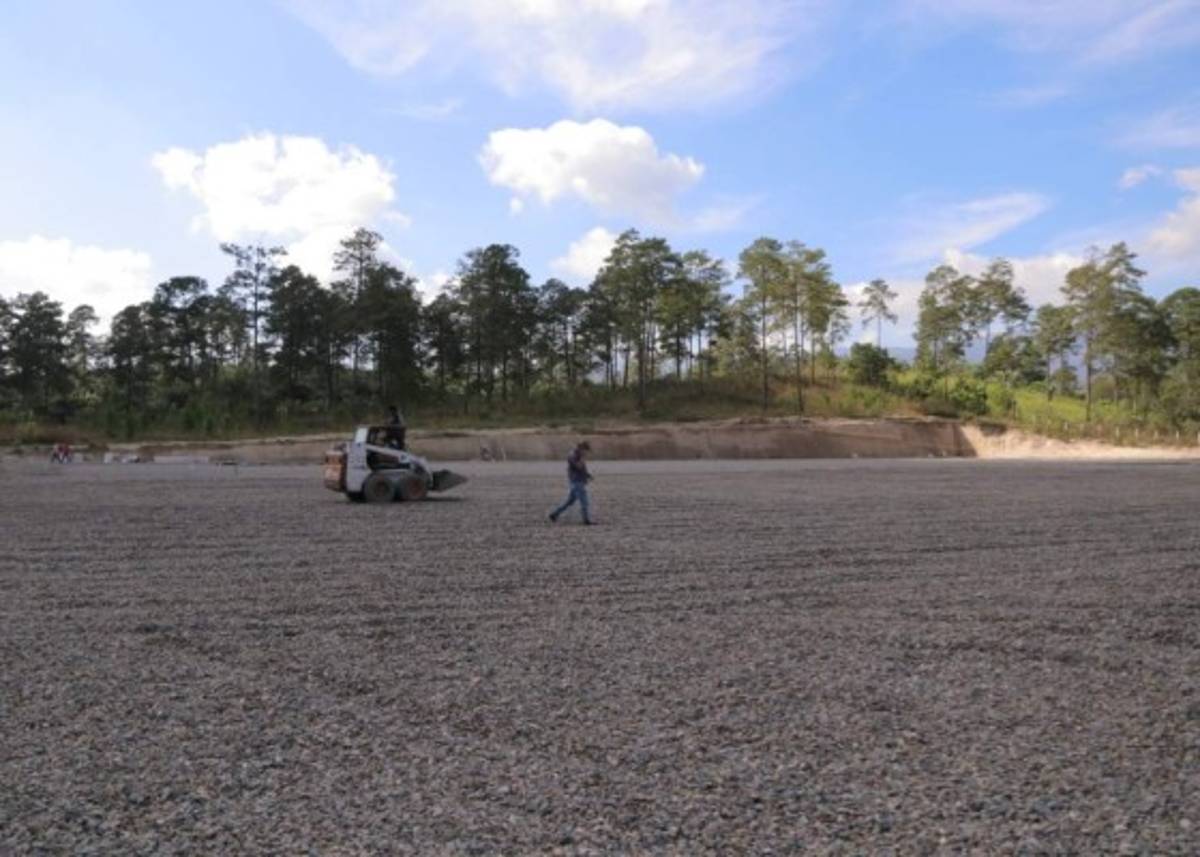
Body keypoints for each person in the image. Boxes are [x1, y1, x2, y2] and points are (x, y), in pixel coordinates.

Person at [548, 441, 595, 525]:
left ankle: (554, 514)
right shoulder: (573, 455)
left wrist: (588, 475)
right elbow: (578, 466)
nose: (587, 453)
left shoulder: (578, 455)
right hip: (576, 482)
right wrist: (583, 458)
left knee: (569, 502)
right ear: (582, 449)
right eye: (586, 451)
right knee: (584, 501)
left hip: (578, 481)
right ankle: (586, 520)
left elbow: (582, 469)